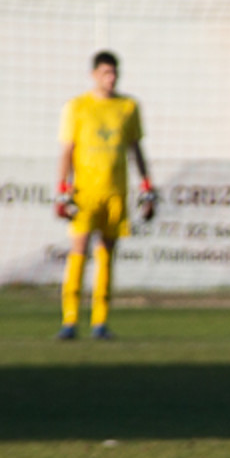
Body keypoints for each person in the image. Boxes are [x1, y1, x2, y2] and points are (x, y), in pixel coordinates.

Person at [55, 50, 154, 340]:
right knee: (79, 250)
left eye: (114, 73)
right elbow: (68, 150)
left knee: (107, 254)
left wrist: (146, 185)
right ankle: (70, 320)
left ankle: (100, 322)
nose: (110, 79)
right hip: (84, 193)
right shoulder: (78, 107)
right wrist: (62, 189)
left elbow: (136, 149)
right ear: (94, 75)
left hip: (116, 192)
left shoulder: (128, 107)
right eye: (105, 73)